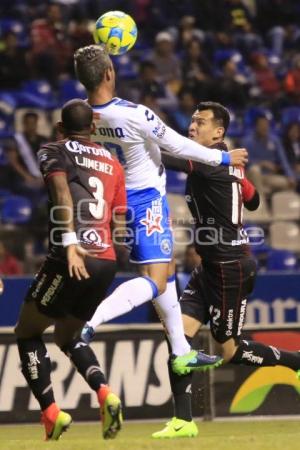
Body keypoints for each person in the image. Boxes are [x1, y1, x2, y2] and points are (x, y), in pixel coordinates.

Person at [74, 44, 248, 375]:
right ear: (110, 73)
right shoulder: (134, 114)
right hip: (145, 200)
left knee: (166, 274)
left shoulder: (83, 115)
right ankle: (90, 322)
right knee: (154, 280)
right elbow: (176, 143)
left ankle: (181, 351)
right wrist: (223, 157)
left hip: (115, 198)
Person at [152, 101, 300, 439]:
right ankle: (183, 421)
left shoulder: (208, 161)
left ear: (219, 132)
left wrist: (133, 136)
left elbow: (167, 156)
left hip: (230, 269)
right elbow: (254, 200)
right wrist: (236, 181)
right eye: (192, 120)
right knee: (178, 339)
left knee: (230, 351)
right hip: (210, 267)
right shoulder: (224, 162)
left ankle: (296, 362)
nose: (192, 126)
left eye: (200, 122)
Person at [14, 99, 126, 441]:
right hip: (106, 261)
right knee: (67, 336)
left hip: (72, 253)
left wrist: (72, 241)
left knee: (28, 332)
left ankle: (51, 412)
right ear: (93, 128)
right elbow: (119, 221)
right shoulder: (113, 161)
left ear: (60, 128)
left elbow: (61, 191)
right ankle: (105, 391)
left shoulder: (54, 149)